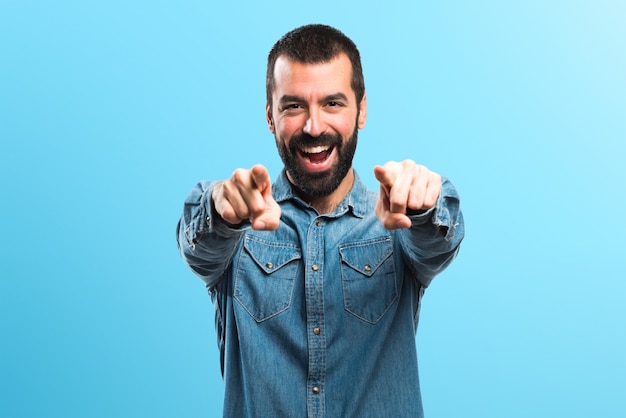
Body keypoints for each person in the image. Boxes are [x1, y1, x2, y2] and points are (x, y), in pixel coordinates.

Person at [176, 23, 464, 418]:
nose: (314, 127)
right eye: (293, 106)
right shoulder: (239, 230)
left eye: (333, 103)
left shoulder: (395, 225)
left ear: (361, 110)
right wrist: (222, 209)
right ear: (270, 116)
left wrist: (425, 203)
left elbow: (439, 240)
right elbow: (200, 245)